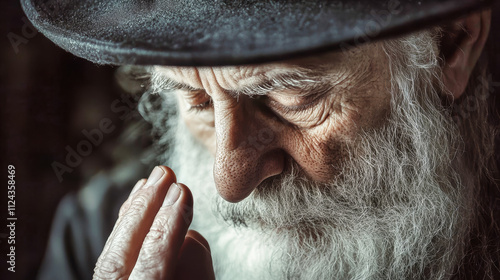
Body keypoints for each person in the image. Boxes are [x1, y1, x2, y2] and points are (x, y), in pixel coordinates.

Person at [24, 0, 500, 279]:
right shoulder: (92, 236)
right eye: (199, 102)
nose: (230, 181)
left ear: (451, 45)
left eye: (288, 97)